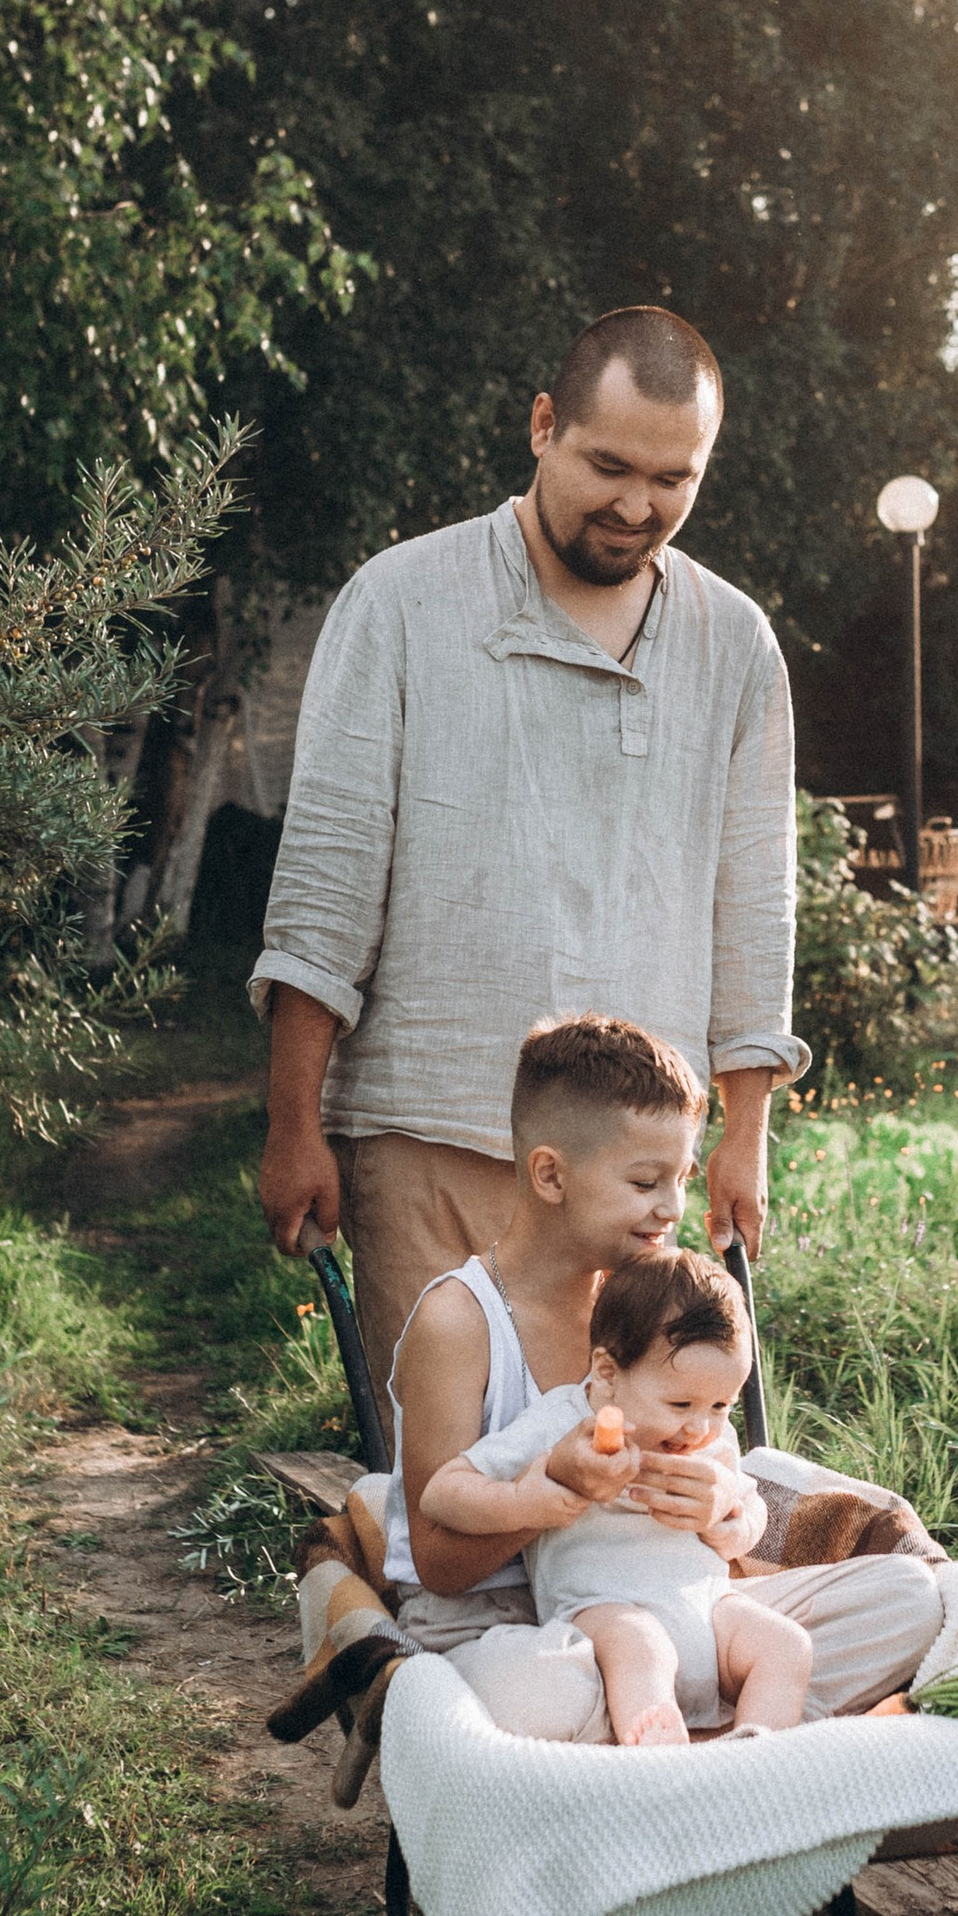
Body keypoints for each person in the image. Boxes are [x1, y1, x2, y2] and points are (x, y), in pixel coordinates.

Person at [252, 304, 807, 1422]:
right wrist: (292, 1119)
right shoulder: (403, 602)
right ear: (543, 424)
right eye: (608, 463)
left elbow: (755, 902)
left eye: (673, 477)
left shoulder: (734, 641)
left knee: (630, 1486)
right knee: (448, 1493)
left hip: (636, 1168)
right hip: (430, 1129)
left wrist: (743, 1135)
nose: (636, 504)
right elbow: (325, 881)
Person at [381, 1015, 940, 1744]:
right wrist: (562, 1492)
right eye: (646, 1181)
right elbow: (438, 1564)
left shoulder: (652, 1301)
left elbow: (712, 1465)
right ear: (551, 1174)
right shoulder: (461, 1321)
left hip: (676, 1610)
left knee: (909, 1597)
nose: (673, 1207)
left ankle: (697, 1744)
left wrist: (717, 1510)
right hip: (508, 1626)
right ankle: (714, 1746)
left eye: (679, 1178)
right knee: (533, 1696)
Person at [421, 1251, 817, 1747]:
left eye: (721, 1405)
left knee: (786, 1644)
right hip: (606, 1612)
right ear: (607, 1373)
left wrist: (729, 1522)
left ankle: (759, 1754)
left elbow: (751, 1506)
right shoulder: (559, 1423)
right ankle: (657, 1762)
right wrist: (528, 1498)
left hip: (708, 1610)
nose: (701, 1426)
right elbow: (440, 1494)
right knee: (642, 1645)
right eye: (680, 1404)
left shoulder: (710, 1439)